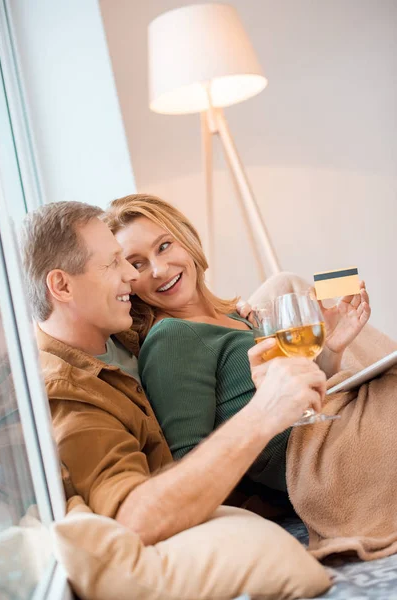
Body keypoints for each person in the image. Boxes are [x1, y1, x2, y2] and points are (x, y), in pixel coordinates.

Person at [20, 201, 326, 547]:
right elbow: (132, 521)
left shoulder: (116, 334)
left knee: (286, 285)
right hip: (304, 469)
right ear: (61, 287)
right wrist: (263, 412)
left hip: (308, 450)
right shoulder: (67, 391)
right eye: (115, 262)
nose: (134, 277)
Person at [103, 194, 371, 493]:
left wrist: (333, 348)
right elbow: (188, 464)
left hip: (337, 427)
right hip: (318, 461)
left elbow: (302, 398)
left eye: (164, 246)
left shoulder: (235, 315)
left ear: (186, 238)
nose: (159, 270)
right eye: (137, 264)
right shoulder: (171, 338)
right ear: (128, 279)